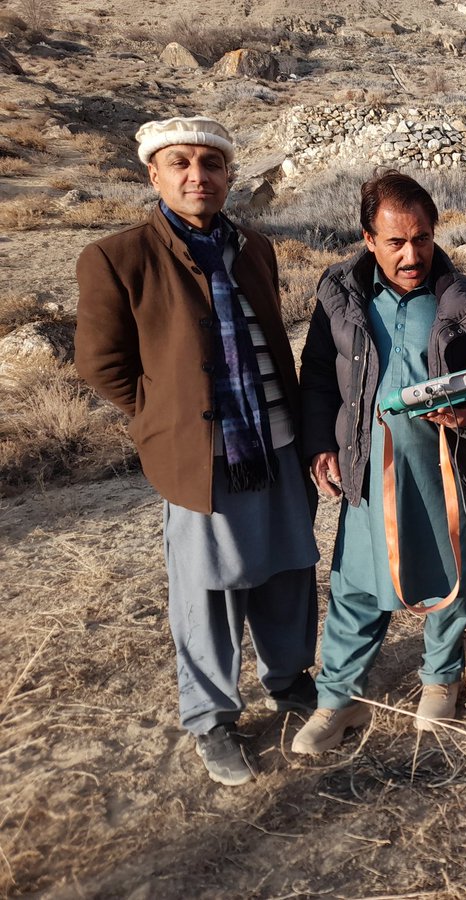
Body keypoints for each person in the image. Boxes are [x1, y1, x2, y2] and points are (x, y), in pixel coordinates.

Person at [75, 116, 319, 787]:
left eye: (209, 163)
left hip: (276, 438)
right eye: (178, 163)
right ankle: (211, 717)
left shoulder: (255, 249)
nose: (196, 176)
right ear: (153, 174)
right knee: (207, 589)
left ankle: (290, 680)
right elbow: (102, 364)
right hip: (203, 456)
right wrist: (167, 420)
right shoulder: (118, 257)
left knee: (288, 567)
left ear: (228, 175)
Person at [293, 170, 466, 754]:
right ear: (368, 238)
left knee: (450, 574)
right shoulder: (338, 297)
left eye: (422, 238)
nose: (411, 254)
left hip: (446, 468)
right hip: (368, 468)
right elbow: (316, 379)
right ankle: (338, 701)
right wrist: (321, 445)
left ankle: (441, 681)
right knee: (356, 584)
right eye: (395, 241)